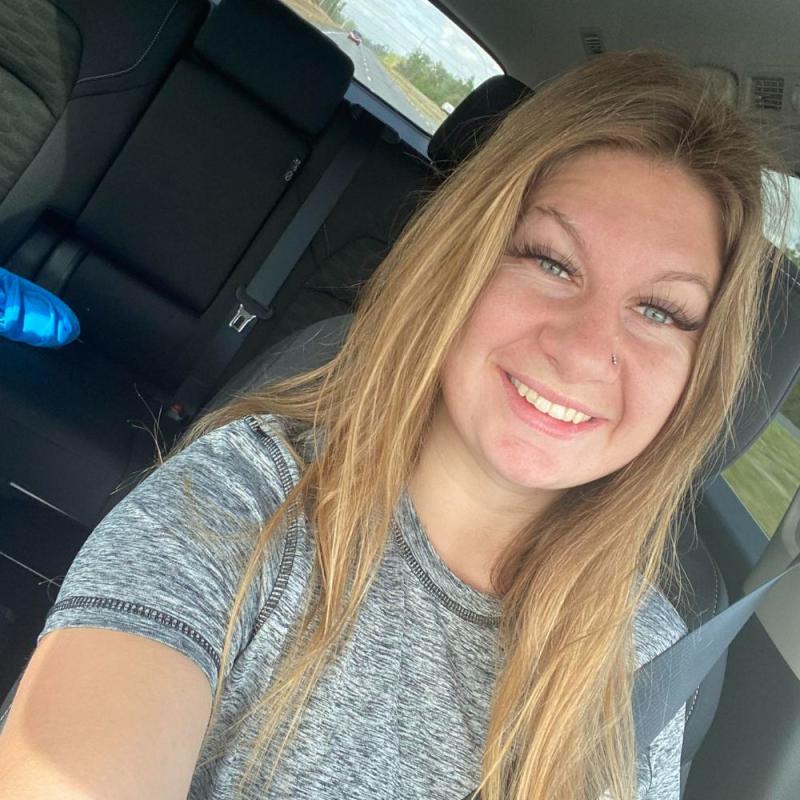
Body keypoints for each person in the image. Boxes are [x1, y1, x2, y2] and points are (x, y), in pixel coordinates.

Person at [0, 51, 786, 800]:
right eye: (550, 261)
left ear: (700, 377)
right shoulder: (241, 507)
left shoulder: (644, 653)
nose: (584, 351)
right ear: (460, 262)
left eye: (661, 311)